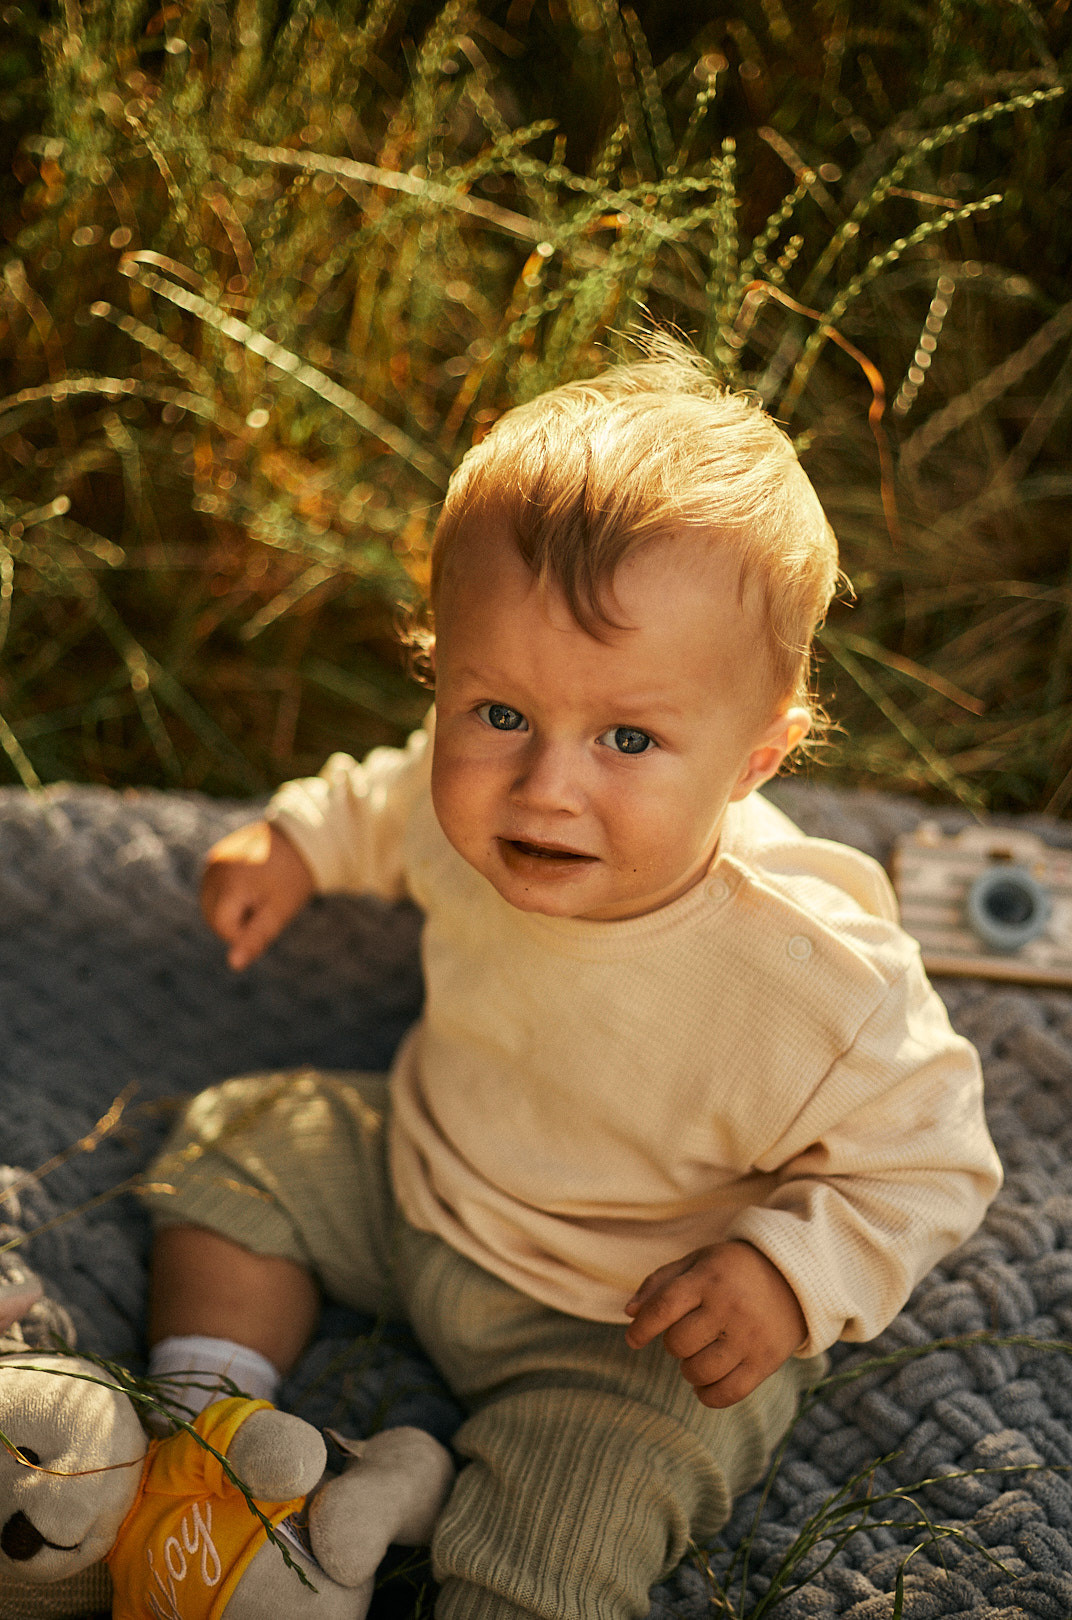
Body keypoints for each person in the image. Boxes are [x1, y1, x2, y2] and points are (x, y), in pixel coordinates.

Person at [140, 336, 1002, 1620]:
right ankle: (202, 1439)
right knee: (238, 1146)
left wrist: (780, 1274)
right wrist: (300, 841)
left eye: (630, 738)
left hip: (638, 1317)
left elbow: (934, 1158)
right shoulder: (467, 809)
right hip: (427, 1179)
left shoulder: (814, 977)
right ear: (443, 671)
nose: (545, 786)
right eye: (497, 713)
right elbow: (384, 796)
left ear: (758, 758)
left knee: (568, 1524)